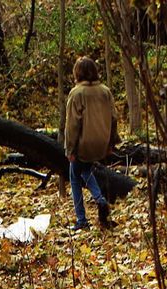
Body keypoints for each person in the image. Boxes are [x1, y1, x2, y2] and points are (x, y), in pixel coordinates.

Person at [64, 56, 117, 231]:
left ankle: (81, 220)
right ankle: (100, 200)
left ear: (77, 73)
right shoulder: (105, 91)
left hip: (83, 145)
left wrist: (70, 149)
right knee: (85, 169)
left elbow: (72, 125)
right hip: (101, 143)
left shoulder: (77, 93)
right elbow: (114, 118)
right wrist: (111, 143)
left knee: (74, 177)